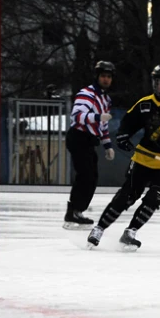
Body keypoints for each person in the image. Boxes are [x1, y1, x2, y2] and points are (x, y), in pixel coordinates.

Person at [87, 65, 160, 251]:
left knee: (153, 198)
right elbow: (127, 123)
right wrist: (123, 136)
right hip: (143, 158)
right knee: (126, 195)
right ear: (155, 84)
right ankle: (98, 229)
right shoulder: (144, 104)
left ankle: (131, 231)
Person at [63, 60, 115, 229]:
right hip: (78, 137)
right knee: (85, 174)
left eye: (108, 77)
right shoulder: (87, 94)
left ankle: (77, 211)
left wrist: (108, 145)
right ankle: (73, 211)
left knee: (92, 176)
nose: (106, 80)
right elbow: (77, 116)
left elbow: (103, 126)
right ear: (97, 77)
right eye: (103, 76)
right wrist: (98, 117)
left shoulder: (105, 99)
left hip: (89, 140)